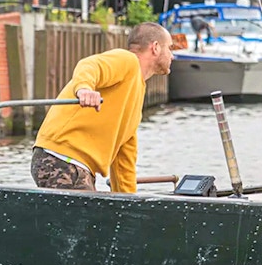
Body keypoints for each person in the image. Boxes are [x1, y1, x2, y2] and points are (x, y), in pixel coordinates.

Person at [32, 22, 174, 193]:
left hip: (75, 166)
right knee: (86, 219)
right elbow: (91, 65)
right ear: (156, 48)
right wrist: (84, 89)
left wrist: (129, 206)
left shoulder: (136, 95)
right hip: (63, 157)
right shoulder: (127, 60)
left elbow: (124, 163)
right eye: (170, 48)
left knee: (96, 216)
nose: (172, 56)